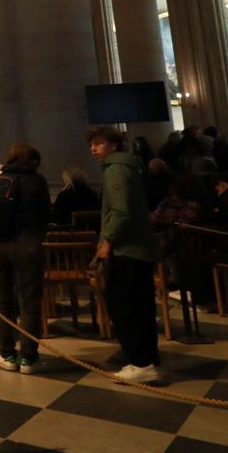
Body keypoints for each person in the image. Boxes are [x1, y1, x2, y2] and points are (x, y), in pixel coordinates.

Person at [89, 125, 162, 384]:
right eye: (92, 144)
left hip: (126, 248)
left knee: (123, 306)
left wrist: (107, 241)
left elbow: (120, 210)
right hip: (138, 248)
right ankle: (147, 358)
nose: (93, 149)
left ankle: (140, 362)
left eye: (98, 143)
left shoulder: (116, 169)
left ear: (113, 145)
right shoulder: (130, 166)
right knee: (140, 306)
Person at [0, 144, 51, 374]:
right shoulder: (36, 181)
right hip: (26, 242)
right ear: (34, 162)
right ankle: (28, 358)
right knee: (29, 300)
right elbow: (45, 213)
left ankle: (6, 354)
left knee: (0, 300)